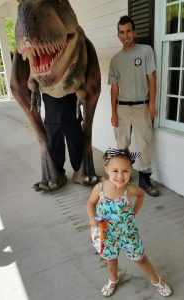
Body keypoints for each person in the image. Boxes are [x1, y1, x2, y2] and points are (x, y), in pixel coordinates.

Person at [87, 148, 172, 297]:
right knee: (110, 258)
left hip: (128, 234)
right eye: (115, 171)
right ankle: (113, 279)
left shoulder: (130, 189)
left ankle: (156, 280)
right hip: (107, 233)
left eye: (125, 171)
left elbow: (140, 196)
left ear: (131, 170)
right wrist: (91, 218)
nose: (120, 176)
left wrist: (134, 212)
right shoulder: (99, 188)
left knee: (140, 258)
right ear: (106, 169)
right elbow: (90, 203)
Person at [108, 15, 159, 197]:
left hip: (141, 106)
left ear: (134, 32)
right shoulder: (115, 60)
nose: (125, 36)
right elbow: (114, 89)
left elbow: (151, 78)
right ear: (118, 35)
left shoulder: (146, 51)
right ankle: (124, 178)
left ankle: (145, 179)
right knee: (122, 144)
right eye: (122, 32)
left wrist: (152, 103)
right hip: (122, 108)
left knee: (144, 142)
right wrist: (113, 112)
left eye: (128, 31)